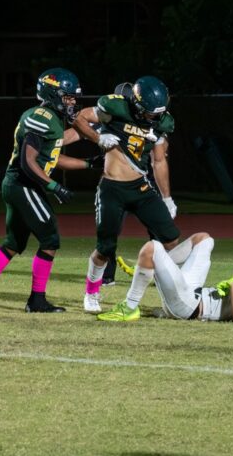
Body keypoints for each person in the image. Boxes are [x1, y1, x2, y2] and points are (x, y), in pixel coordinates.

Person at [0, 68, 101, 313]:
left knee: (13, 243)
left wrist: (89, 163)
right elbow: (29, 161)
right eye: (67, 96)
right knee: (50, 238)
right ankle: (36, 300)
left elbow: (53, 156)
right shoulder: (42, 117)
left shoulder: (48, 118)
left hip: (18, 183)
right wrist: (53, 186)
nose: (71, 101)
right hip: (23, 183)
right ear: (52, 94)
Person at [72, 76, 181, 318]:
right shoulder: (116, 107)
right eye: (149, 112)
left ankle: (178, 291)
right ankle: (91, 292)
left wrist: (167, 197)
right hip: (112, 187)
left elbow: (160, 160)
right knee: (105, 247)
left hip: (141, 187)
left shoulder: (162, 122)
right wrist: (98, 138)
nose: (153, 117)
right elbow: (79, 119)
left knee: (171, 239)